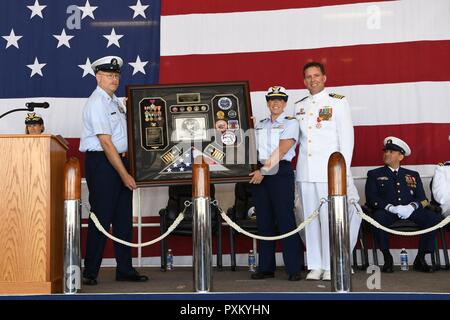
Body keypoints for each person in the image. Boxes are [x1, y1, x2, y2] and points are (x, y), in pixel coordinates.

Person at [79, 56, 148, 285]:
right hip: (104, 164)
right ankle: (90, 272)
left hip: (118, 162)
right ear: (98, 77)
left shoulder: (114, 101)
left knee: (122, 219)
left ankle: (125, 269)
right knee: (101, 216)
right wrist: (124, 174)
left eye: (116, 75)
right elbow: (106, 143)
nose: (114, 79)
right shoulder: (97, 102)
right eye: (109, 75)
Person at [294, 61, 361, 281]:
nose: (312, 80)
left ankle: (333, 262)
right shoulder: (299, 105)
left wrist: (343, 172)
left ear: (324, 77)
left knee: (330, 219)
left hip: (330, 172)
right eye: (308, 77)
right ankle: (315, 264)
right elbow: (300, 140)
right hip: (306, 171)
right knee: (310, 219)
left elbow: (346, 139)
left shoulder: (338, 103)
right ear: (304, 81)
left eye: (316, 75)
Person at [249, 86, 303, 281]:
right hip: (260, 172)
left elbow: (282, 149)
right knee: (264, 221)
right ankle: (266, 268)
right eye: (272, 100)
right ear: (267, 102)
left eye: (280, 100)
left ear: (285, 103)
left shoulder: (291, 123)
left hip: (279, 172)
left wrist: (264, 171)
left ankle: (294, 268)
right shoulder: (259, 124)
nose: (276, 103)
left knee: (285, 220)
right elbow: (251, 147)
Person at [365, 136, 442, 273]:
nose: (386, 154)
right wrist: (391, 207)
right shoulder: (374, 174)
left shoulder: (412, 174)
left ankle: (421, 258)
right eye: (386, 151)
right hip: (388, 212)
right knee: (378, 218)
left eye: (391, 152)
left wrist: (411, 207)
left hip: (411, 211)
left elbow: (423, 199)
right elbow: (372, 198)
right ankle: (387, 258)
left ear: (401, 156)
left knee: (433, 218)